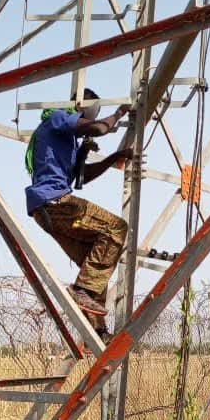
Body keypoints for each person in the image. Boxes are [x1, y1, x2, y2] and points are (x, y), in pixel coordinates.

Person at [25, 88, 131, 341]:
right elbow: (97, 129)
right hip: (56, 203)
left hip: (47, 210)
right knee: (116, 227)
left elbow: (80, 177)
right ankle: (81, 290)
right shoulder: (58, 117)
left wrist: (112, 158)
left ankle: (97, 332)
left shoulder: (65, 139)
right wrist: (118, 114)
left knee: (97, 264)